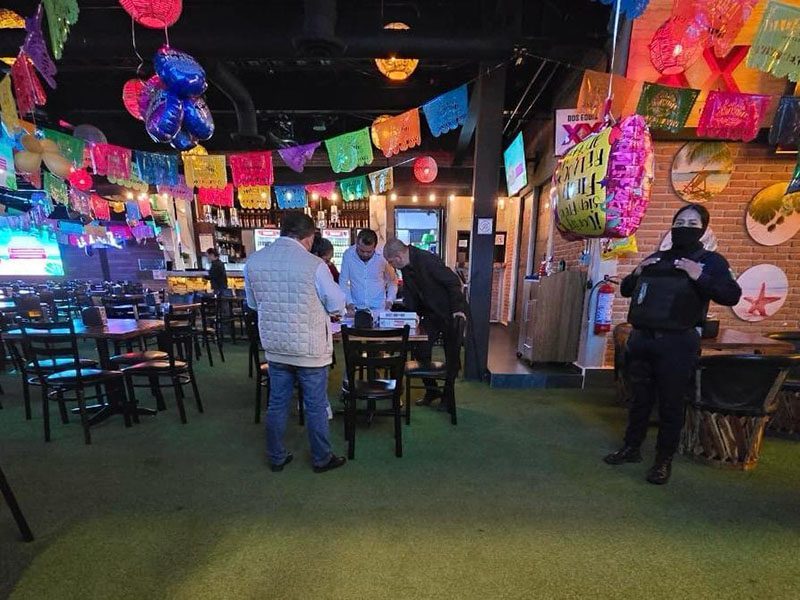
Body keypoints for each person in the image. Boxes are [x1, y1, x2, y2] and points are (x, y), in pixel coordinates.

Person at [603, 204, 742, 485]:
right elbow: (627, 290)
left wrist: (699, 276)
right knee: (639, 400)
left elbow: (731, 295)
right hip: (642, 339)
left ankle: (663, 460)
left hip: (678, 344)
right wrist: (636, 272)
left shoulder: (711, 262)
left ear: (703, 229)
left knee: (671, 404)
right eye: (680, 222)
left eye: (692, 223)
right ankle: (631, 447)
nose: (684, 227)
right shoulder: (657, 258)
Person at [244, 213, 347, 473]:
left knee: (277, 403)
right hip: (310, 348)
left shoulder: (254, 262)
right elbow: (336, 303)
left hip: (276, 347)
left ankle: (276, 456)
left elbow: (253, 304)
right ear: (309, 237)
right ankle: (321, 458)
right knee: (315, 405)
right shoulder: (314, 264)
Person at [383, 238, 468, 410]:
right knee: (420, 349)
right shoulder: (405, 266)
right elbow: (411, 293)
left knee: (452, 357)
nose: (391, 266)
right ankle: (432, 391)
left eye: (391, 262)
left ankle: (447, 398)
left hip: (450, 311)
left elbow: (453, 282)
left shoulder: (427, 259)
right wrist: (410, 316)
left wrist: (458, 309)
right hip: (431, 314)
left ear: (398, 256)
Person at [339, 229, 398, 315]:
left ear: (375, 247)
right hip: (356, 309)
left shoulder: (382, 256)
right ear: (357, 244)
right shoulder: (348, 255)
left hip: (380, 309)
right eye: (362, 251)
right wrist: (349, 303)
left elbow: (392, 281)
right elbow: (343, 282)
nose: (365, 254)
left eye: (369, 252)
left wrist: (390, 300)